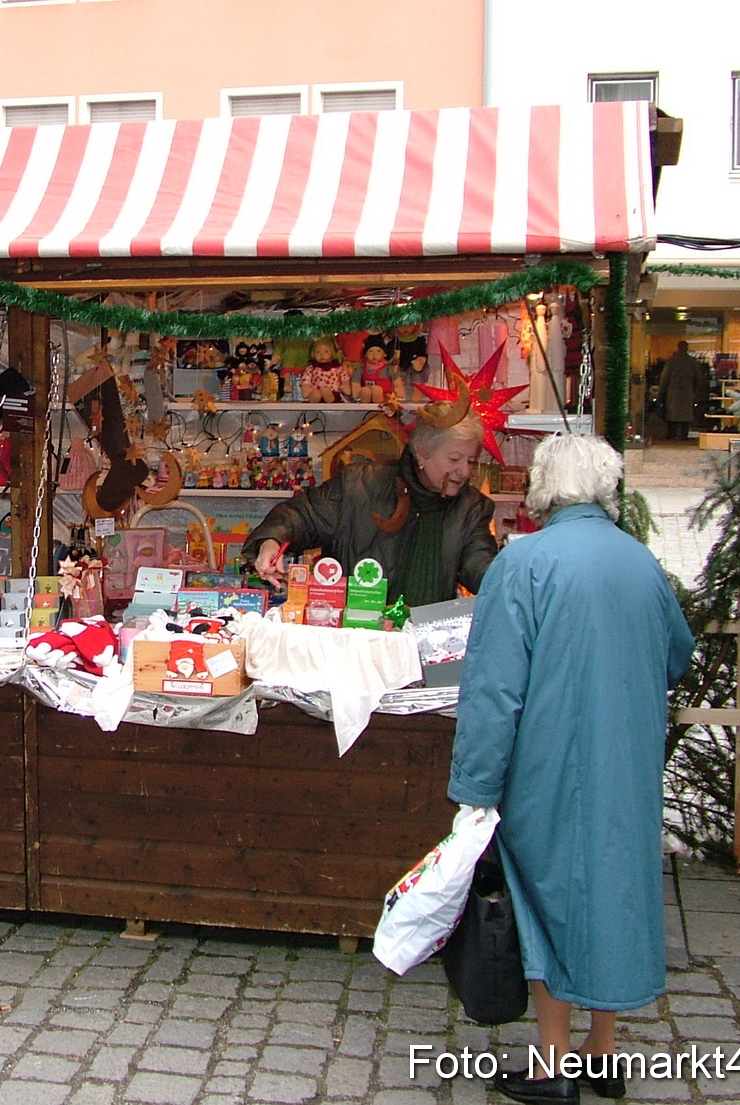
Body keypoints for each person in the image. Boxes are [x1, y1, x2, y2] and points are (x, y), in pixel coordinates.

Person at [448, 433, 693, 1104]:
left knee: (544, 899)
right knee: (610, 890)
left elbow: (494, 690)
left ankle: (552, 1063)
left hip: (547, 760)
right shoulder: (639, 560)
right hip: (627, 760)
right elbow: (677, 653)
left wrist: (473, 786)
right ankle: (601, 1050)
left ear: (543, 488)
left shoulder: (524, 563)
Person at [242, 416, 498, 607]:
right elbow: (301, 516)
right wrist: (270, 540)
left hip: (426, 646)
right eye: (454, 459)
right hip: (355, 641)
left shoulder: (471, 508)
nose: (464, 471)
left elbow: (481, 567)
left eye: (471, 461)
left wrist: (512, 579)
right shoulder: (359, 485)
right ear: (422, 454)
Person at [659, 341, 701, 441]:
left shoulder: (672, 361)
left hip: (673, 391)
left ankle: (671, 434)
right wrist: (694, 389)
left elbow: (664, 377)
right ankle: (684, 435)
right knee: (686, 415)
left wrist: (661, 391)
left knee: (672, 414)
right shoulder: (692, 361)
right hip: (687, 391)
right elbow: (698, 377)